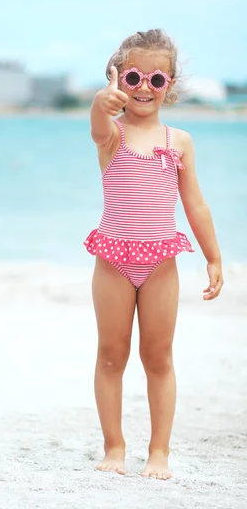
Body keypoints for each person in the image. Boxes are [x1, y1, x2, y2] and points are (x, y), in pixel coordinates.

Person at [84, 29, 223, 480]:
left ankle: (159, 451)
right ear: (118, 79)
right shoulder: (112, 135)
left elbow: (195, 203)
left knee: (159, 356)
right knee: (110, 355)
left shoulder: (178, 141)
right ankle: (115, 446)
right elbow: (97, 122)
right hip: (114, 261)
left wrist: (213, 257)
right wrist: (102, 100)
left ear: (170, 85)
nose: (144, 87)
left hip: (161, 262)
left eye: (157, 79)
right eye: (133, 77)